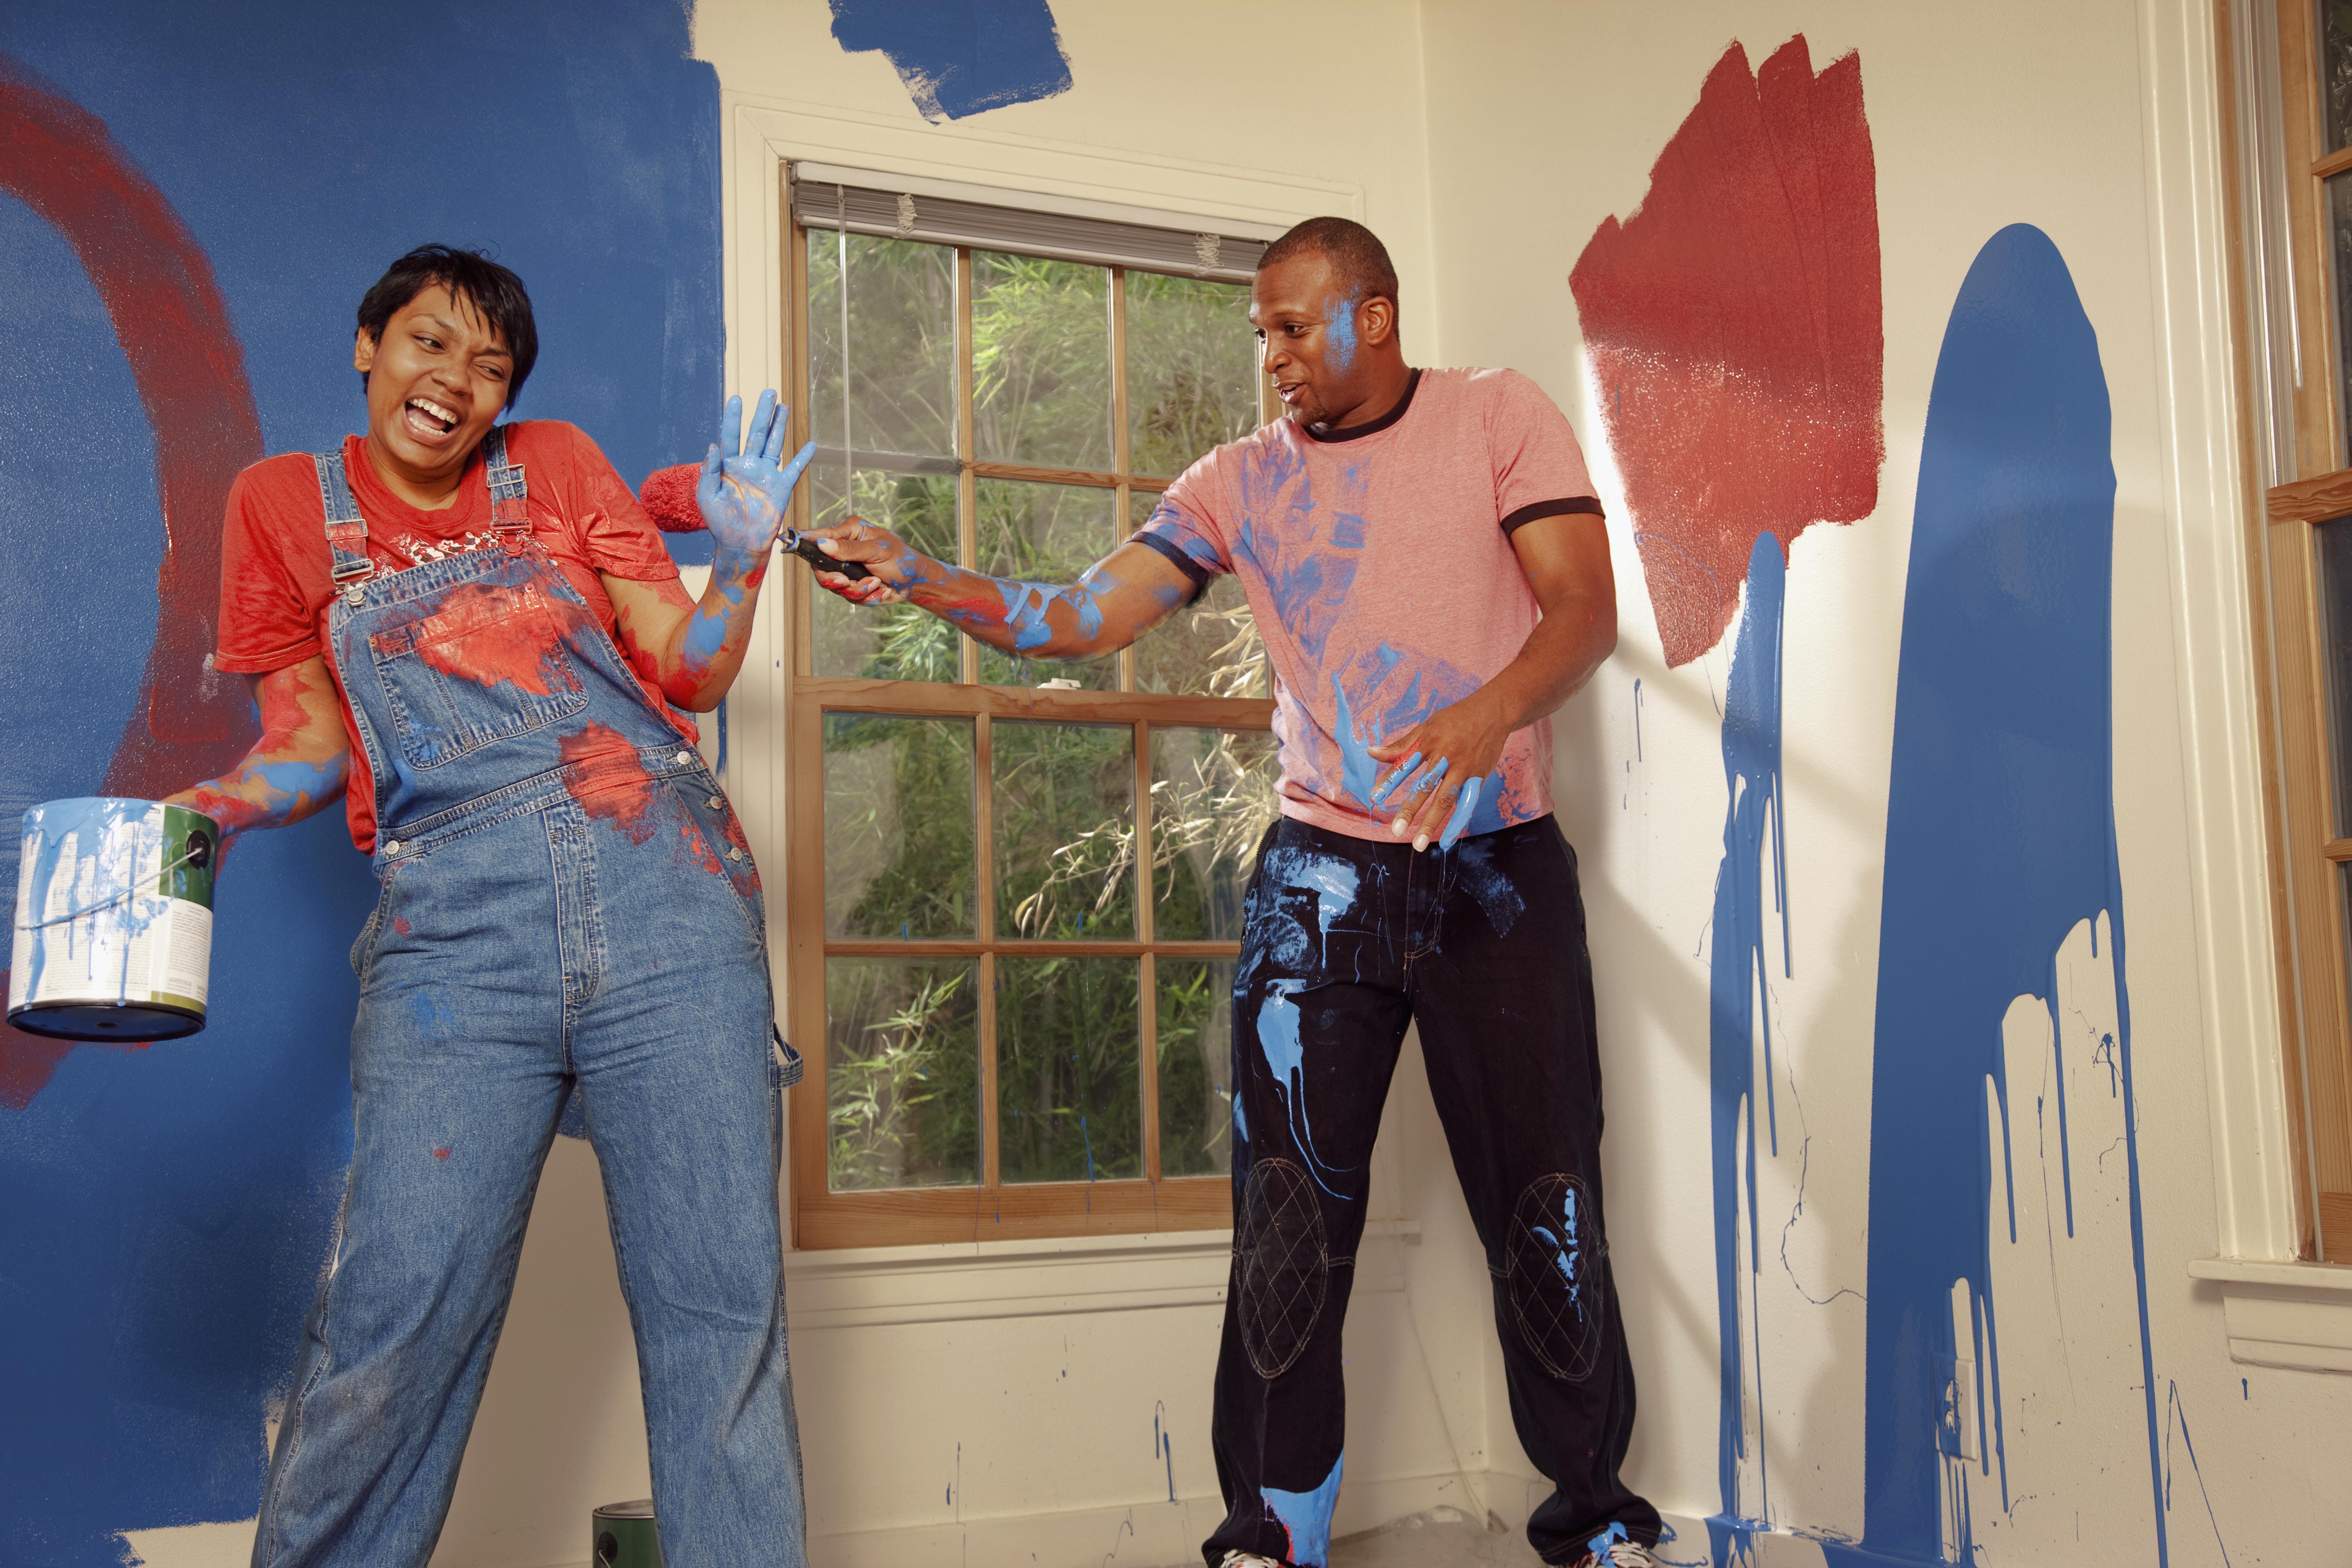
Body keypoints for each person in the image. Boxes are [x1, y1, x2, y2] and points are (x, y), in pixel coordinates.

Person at [803, 218, 1661, 1568]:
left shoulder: (1501, 416)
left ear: (1373, 316)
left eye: (1292, 327)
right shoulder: (1236, 482)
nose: (1271, 357)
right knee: (1288, 1213)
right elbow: (1080, 615)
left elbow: (1582, 610)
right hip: (1323, 879)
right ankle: (1272, 1537)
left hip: (1498, 876)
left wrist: (1488, 715)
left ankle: (1597, 1518)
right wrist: (924, 577)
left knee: (1544, 1200)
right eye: (1259, 331)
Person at [166, 245, 816, 1568]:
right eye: (428, 344)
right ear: (367, 345)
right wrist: (219, 808)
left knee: (721, 1320)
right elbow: (308, 737)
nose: (456, 384)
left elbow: (684, 673)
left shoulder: (556, 465)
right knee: (393, 1321)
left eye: (489, 365)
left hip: (667, 903)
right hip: (454, 940)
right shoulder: (285, 507)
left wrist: (741, 566)